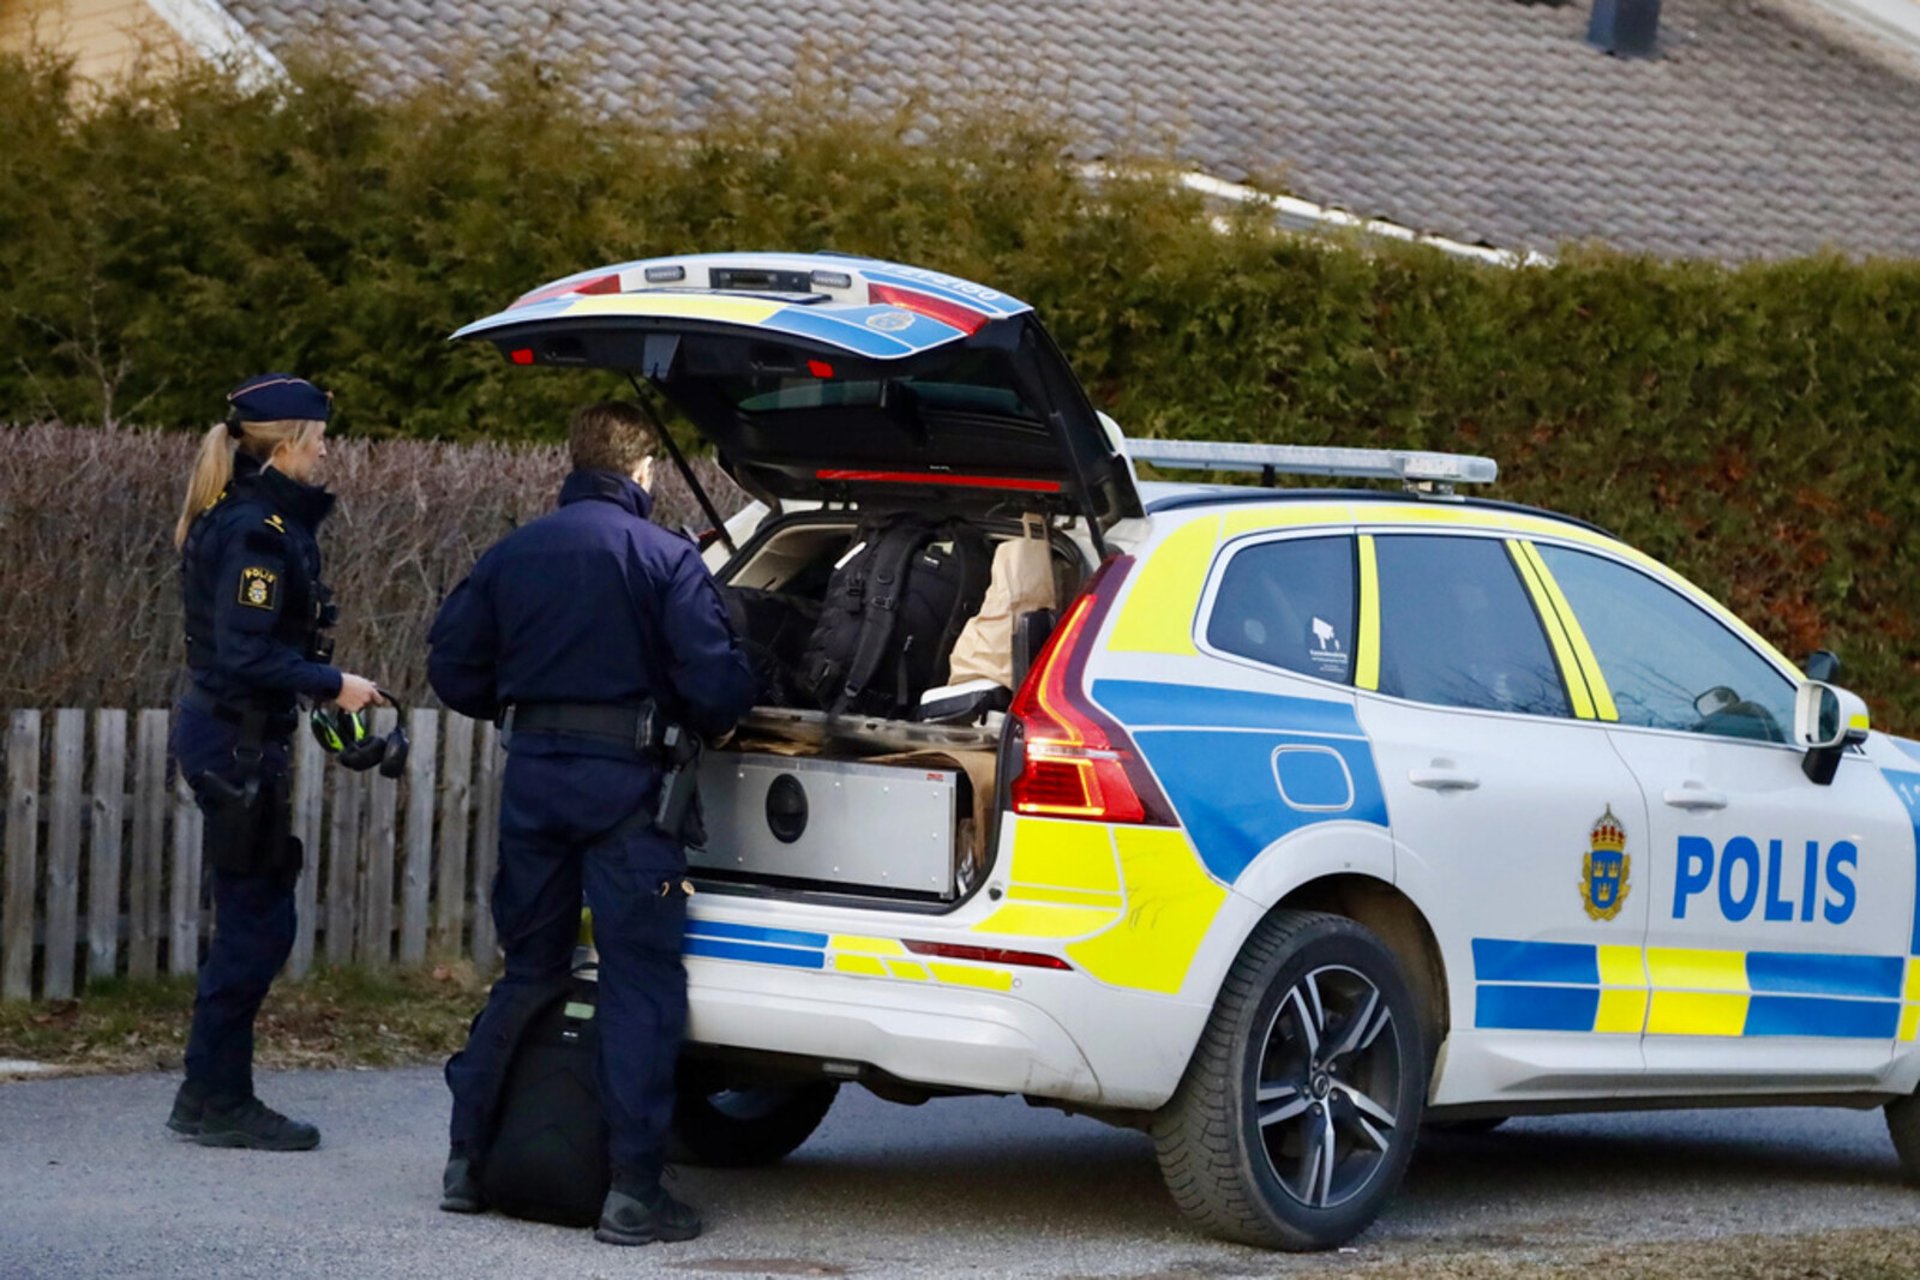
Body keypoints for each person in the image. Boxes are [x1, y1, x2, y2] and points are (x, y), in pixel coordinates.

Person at [428, 401, 757, 1246]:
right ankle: (634, 1191)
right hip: (630, 797)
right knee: (639, 983)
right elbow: (717, 687)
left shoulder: (512, 554)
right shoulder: (664, 558)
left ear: (573, 462)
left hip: (535, 784)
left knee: (528, 973)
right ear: (643, 471)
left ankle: (467, 1162)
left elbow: (456, 673)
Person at [167, 373, 384, 1150]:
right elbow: (246, 650)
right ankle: (216, 1099)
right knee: (255, 926)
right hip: (237, 744)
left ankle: (208, 1091)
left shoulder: (247, 519)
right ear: (288, 443)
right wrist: (336, 685)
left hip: (236, 736)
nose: (327, 449)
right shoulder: (258, 531)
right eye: (320, 436)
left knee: (253, 915)